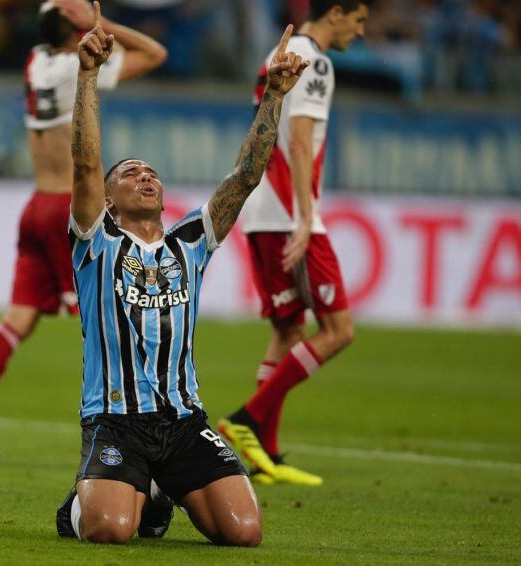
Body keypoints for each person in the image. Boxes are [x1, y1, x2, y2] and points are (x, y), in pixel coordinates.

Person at [55, 3, 308, 545]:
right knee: (109, 531)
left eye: (150, 171)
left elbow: (245, 176)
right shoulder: (95, 241)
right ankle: (82, 501)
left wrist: (275, 96)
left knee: (244, 534)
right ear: (107, 197)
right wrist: (88, 76)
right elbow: (82, 164)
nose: (144, 175)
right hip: (116, 418)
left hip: (185, 420)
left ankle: (157, 488)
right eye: (128, 173)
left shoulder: (191, 240)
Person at [0, 0, 167, 456]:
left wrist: (77, 21)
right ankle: (138, 428)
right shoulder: (75, 67)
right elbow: (154, 54)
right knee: (113, 316)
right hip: (70, 214)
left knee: (17, 320)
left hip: (35, 207)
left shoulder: (37, 60)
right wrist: (104, 24)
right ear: (72, 24)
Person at [217, 0, 370, 486]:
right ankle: (246, 421)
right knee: (338, 330)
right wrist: (307, 219)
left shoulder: (277, 53)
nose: (361, 32)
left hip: (262, 209)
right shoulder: (314, 62)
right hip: (287, 212)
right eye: (359, 19)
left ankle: (267, 455)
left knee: (287, 331)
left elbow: (261, 132)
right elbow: (300, 141)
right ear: (336, 13)